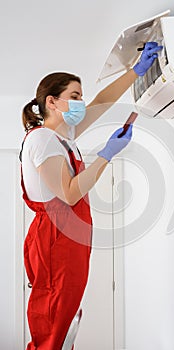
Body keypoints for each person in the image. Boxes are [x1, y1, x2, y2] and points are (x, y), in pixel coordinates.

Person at [20, 42, 162, 350]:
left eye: (80, 96)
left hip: (67, 235)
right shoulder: (43, 139)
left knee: (66, 317)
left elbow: (103, 101)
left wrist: (135, 71)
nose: (81, 102)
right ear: (52, 102)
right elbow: (70, 194)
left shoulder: (63, 137)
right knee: (53, 320)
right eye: (74, 96)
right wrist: (107, 155)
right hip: (55, 237)